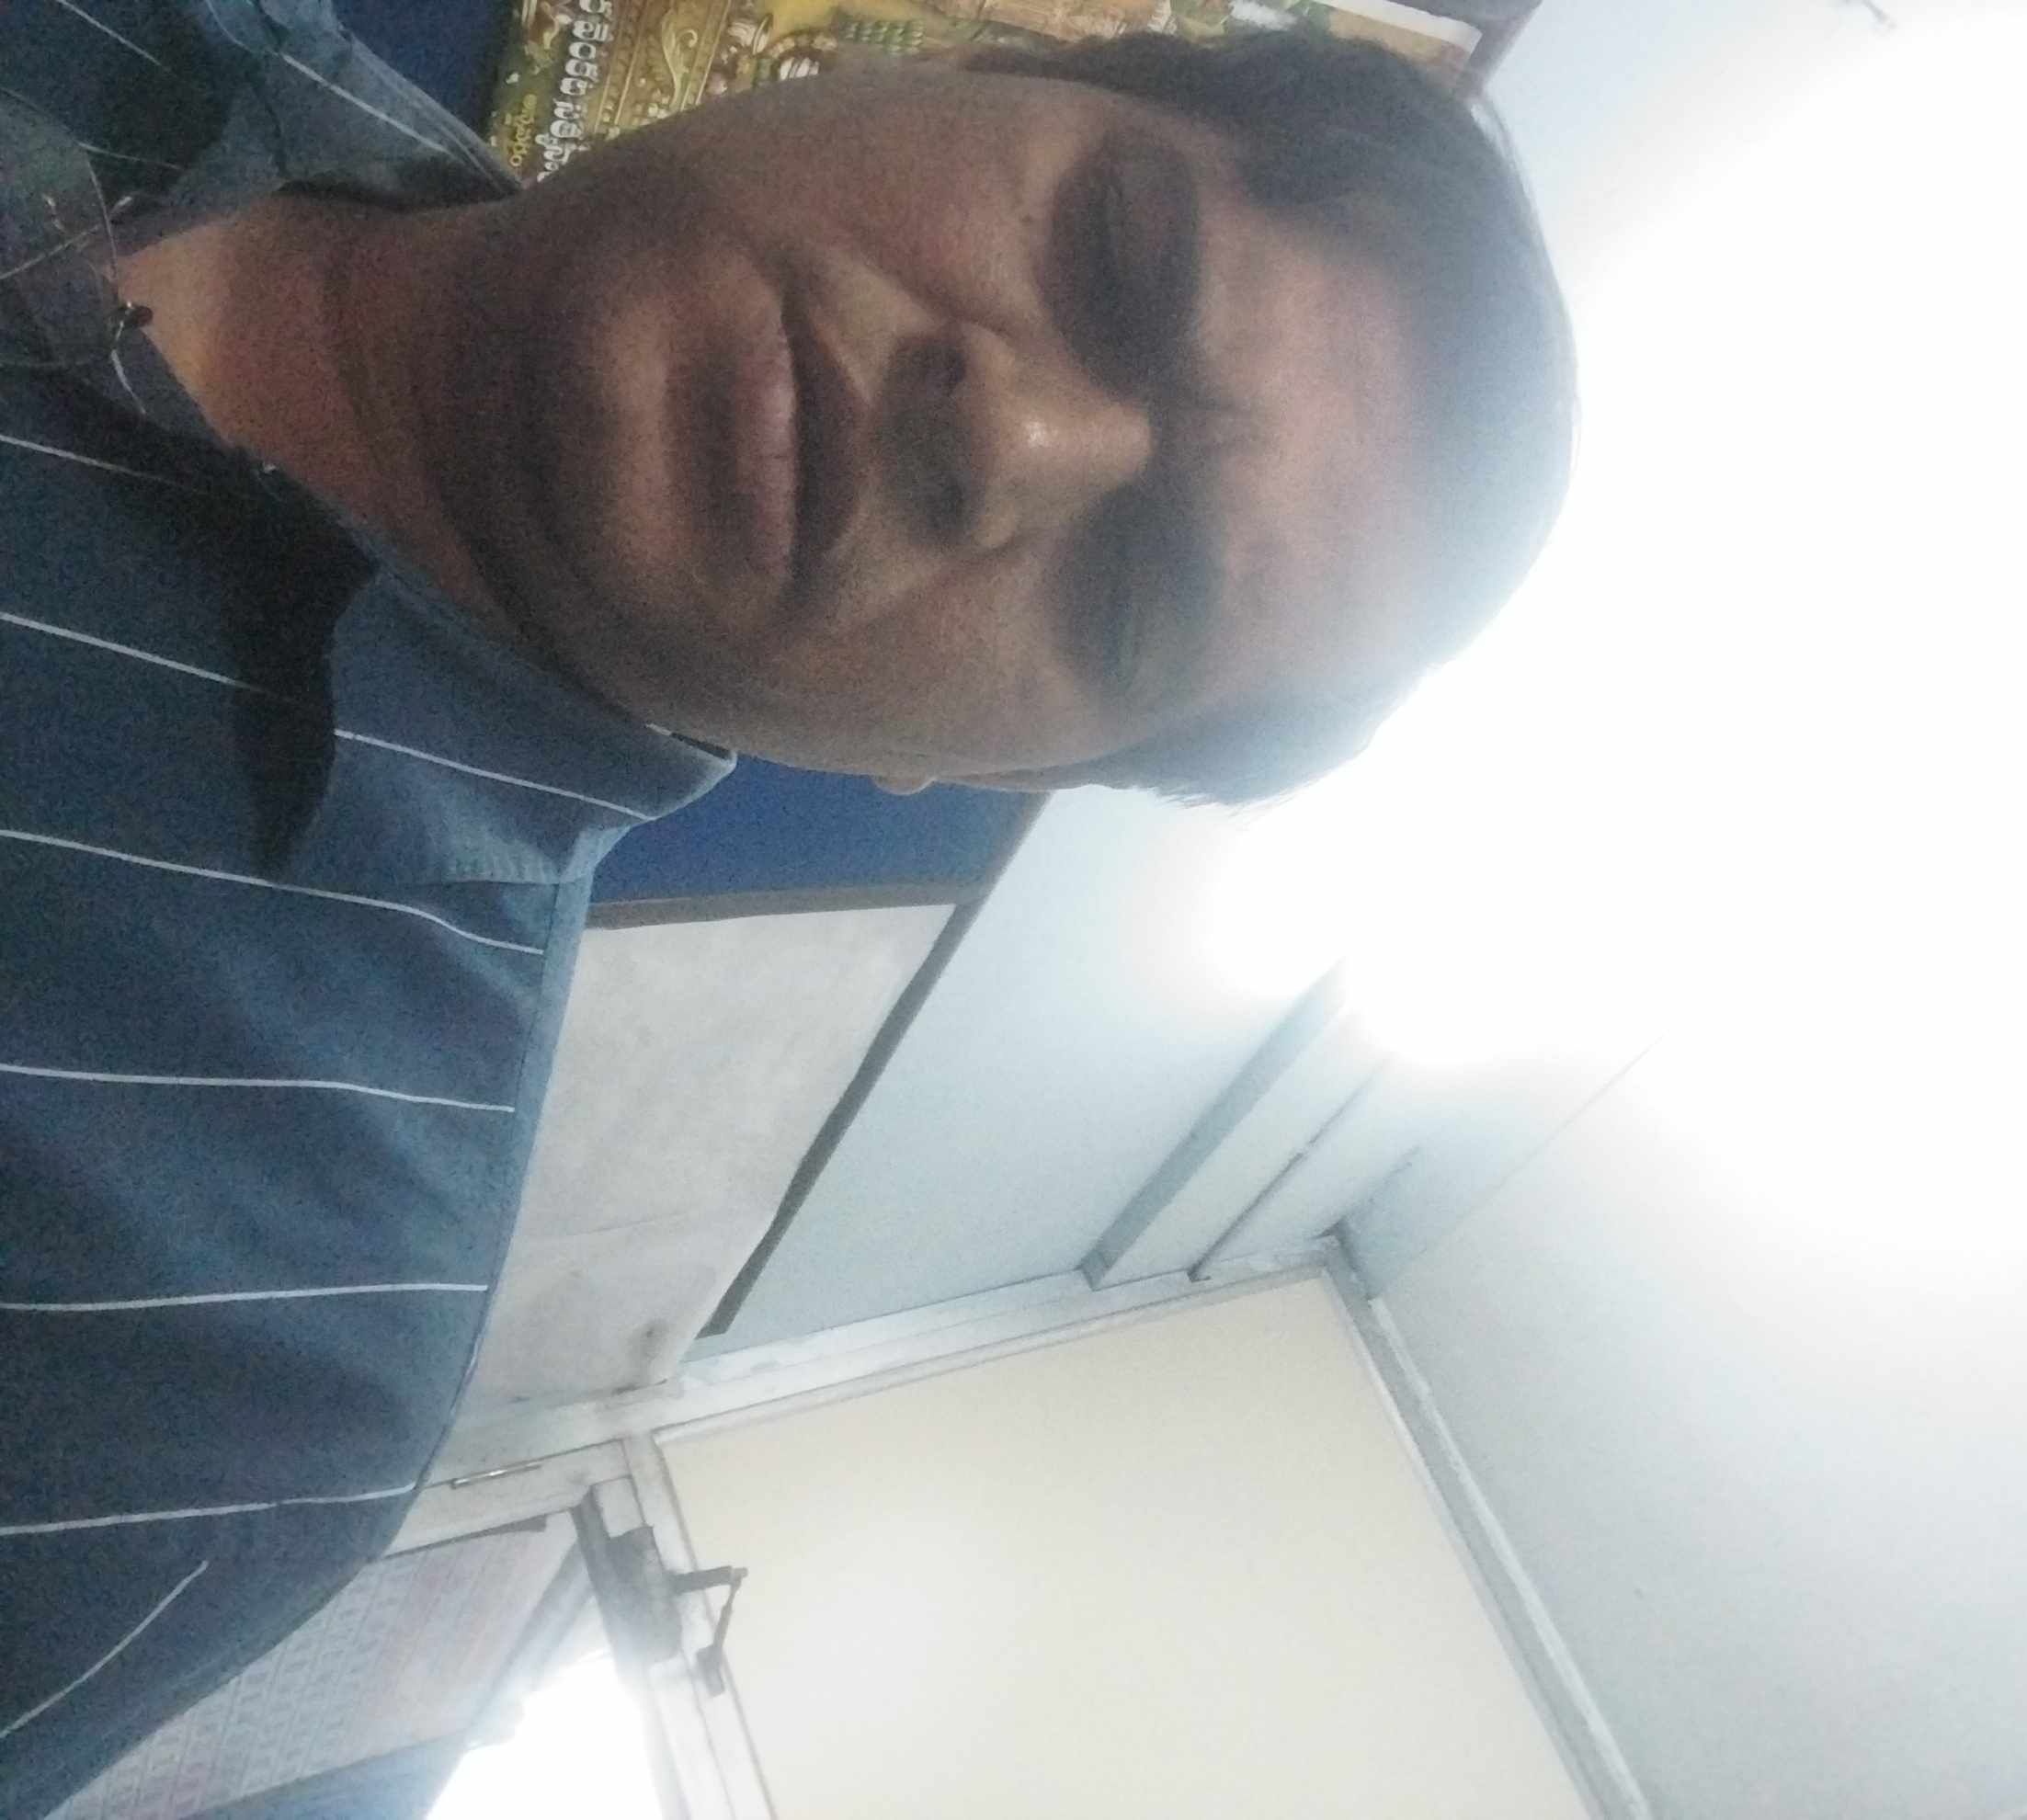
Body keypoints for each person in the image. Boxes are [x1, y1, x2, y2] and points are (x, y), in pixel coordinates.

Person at [0, 0, 1573, 1808]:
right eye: (1117, 257)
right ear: (981, 66)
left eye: (1134, 595)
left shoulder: (239, 1354)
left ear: (981, 775)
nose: (1011, 439)